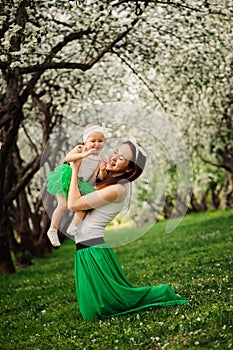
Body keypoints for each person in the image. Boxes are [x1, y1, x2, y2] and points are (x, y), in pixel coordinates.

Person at [67, 139, 188, 321]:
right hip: (86, 251)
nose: (114, 157)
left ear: (129, 169)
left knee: (104, 309)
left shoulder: (117, 189)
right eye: (115, 151)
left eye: (121, 157)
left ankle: (162, 292)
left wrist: (74, 168)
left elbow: (74, 204)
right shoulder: (107, 182)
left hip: (92, 251)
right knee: (91, 312)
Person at [46, 123, 107, 247]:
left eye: (100, 141)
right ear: (86, 141)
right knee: (62, 205)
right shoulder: (80, 148)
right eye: (93, 141)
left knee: (85, 205)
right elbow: (68, 157)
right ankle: (52, 229)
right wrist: (84, 154)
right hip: (66, 177)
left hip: (80, 183)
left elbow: (99, 177)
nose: (97, 144)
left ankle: (73, 226)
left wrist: (102, 170)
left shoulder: (101, 157)